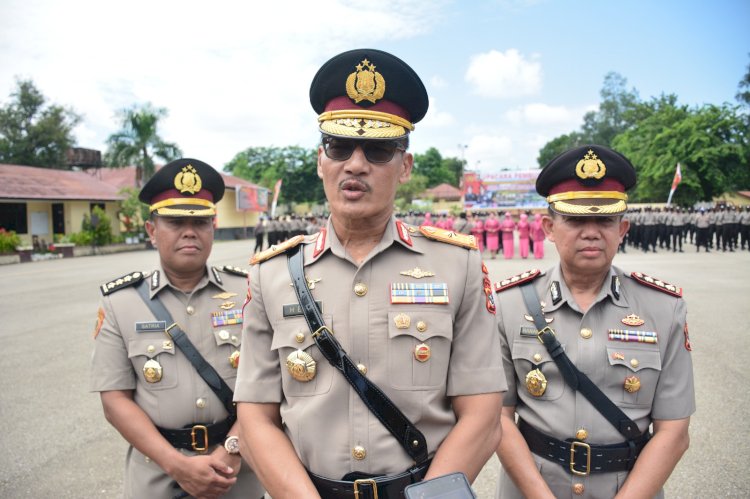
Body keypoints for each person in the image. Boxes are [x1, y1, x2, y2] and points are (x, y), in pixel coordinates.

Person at [233, 48, 506, 498]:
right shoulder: (272, 274)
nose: (355, 164)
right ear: (321, 160)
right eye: (339, 146)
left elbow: (482, 413)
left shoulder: (456, 266)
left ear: (405, 167)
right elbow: (255, 417)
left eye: (378, 149)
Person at [494, 145, 694, 498]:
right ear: (548, 228)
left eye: (604, 220)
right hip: (532, 488)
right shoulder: (508, 304)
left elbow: (674, 432)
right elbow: (497, 418)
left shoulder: (663, 308)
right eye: (574, 219)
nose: (591, 232)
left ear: (623, 228)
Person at [89, 159, 264, 499]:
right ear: (152, 230)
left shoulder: (249, 292)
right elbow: (114, 400)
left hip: (237, 474)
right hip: (157, 476)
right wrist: (176, 465)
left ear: (213, 226)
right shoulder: (120, 302)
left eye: (200, 221)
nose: (189, 231)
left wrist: (230, 451)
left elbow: (268, 386)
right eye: (175, 221)